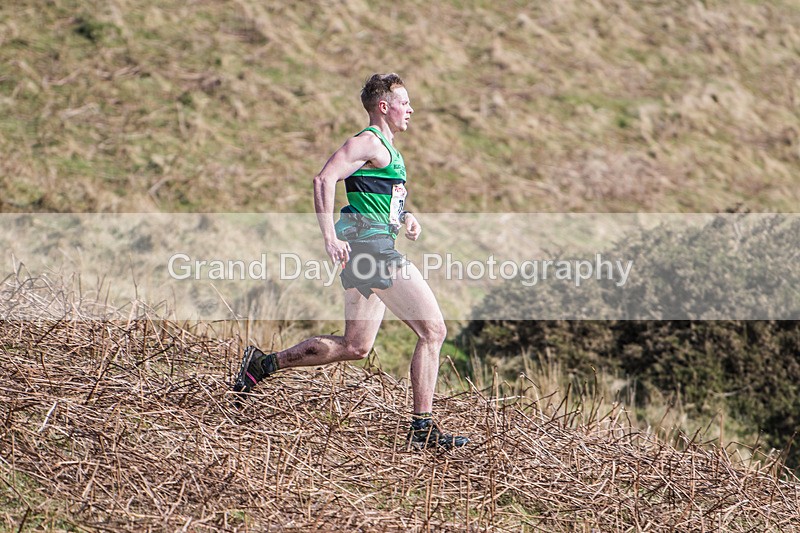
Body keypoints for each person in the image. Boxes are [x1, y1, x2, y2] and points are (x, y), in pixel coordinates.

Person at [233, 73, 468, 450]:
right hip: (371, 252)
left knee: (355, 346)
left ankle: (262, 365)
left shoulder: (387, 150)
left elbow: (376, 198)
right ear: (384, 107)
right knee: (434, 331)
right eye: (404, 103)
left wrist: (405, 216)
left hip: (367, 249)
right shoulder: (368, 141)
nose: (411, 109)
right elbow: (323, 180)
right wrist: (329, 236)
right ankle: (422, 429)